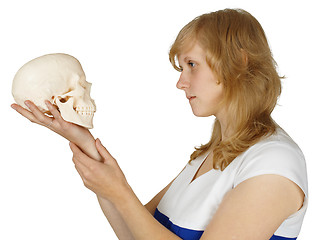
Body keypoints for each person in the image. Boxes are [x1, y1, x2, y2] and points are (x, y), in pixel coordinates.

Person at [11, 8, 308, 240]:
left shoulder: (274, 163)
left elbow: (127, 208)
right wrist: (82, 139)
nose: (180, 82)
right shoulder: (208, 156)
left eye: (192, 65)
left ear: (240, 62)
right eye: (182, 68)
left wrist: (118, 191)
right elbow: (134, 233)